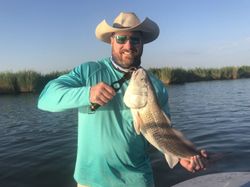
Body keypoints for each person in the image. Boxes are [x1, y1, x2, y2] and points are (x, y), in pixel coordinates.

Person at [38, 12, 208, 187]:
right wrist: (87, 94)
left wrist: (180, 156)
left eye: (135, 39)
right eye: (121, 38)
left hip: (137, 181)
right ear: (111, 40)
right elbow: (45, 99)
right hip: (91, 181)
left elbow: (162, 133)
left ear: (142, 43)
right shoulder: (88, 72)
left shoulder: (156, 86)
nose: (128, 45)